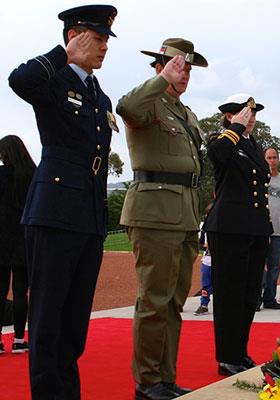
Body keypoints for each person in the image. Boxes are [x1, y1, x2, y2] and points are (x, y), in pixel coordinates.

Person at [7, 5, 118, 399]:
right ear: (76, 35)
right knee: (48, 320)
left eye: (106, 40)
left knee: (73, 323)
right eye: (99, 38)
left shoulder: (98, 95)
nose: (105, 47)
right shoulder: (53, 79)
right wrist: (64, 54)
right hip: (54, 213)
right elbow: (19, 79)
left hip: (87, 216)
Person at [117, 38, 207, 400]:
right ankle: (147, 381)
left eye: (187, 68)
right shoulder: (149, 102)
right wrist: (162, 78)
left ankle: (165, 378)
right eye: (177, 66)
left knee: (173, 301)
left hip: (184, 214)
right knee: (153, 299)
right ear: (160, 66)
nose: (184, 74)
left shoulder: (185, 113)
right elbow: (126, 106)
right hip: (153, 213)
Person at [204, 94, 272, 376]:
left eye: (254, 113)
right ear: (230, 115)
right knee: (229, 294)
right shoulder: (224, 140)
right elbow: (217, 155)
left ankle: (239, 351)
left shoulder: (252, 145)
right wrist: (234, 128)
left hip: (254, 228)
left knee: (248, 295)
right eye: (246, 113)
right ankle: (226, 356)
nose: (251, 117)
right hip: (229, 227)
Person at [0, 135, 36, 355]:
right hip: (24, 238)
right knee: (21, 291)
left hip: (1, 239)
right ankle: (20, 339)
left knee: (0, 290)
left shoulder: (1, 175)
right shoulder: (32, 175)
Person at [260, 148, 280, 310]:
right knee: (258, 264)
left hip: (277, 228)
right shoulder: (259, 178)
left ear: (278, 159)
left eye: (274, 157)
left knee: (274, 265)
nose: (272, 161)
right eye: (269, 158)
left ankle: (270, 298)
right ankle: (256, 297)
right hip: (260, 229)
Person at [195, 204, 214, 316]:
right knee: (206, 283)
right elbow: (201, 243)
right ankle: (204, 304)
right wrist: (205, 245)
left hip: (220, 260)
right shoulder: (205, 229)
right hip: (207, 259)